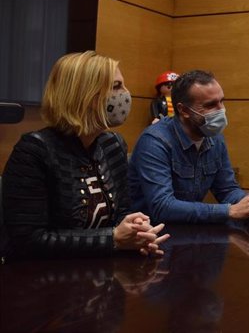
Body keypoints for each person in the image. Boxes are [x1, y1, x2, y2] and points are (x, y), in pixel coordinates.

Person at [1, 51, 169, 260]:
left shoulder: (113, 144)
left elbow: (121, 213)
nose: (126, 93)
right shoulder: (34, 150)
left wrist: (136, 231)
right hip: (39, 281)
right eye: (116, 86)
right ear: (85, 94)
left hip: (99, 274)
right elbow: (28, 240)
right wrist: (113, 239)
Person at [128, 70, 249, 224]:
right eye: (210, 105)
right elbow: (162, 207)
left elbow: (227, 190)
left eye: (221, 101)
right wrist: (229, 210)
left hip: (190, 234)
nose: (221, 110)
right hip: (149, 236)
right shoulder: (155, 142)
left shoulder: (215, 138)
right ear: (183, 110)